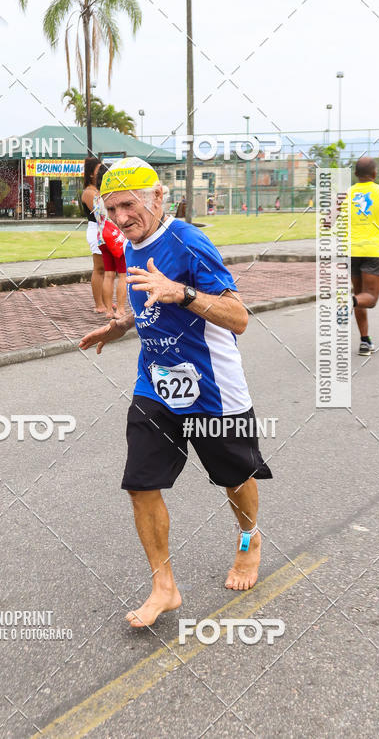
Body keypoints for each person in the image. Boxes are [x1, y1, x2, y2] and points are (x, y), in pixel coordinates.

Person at [80, 157, 272, 629]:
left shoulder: (189, 241)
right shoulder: (127, 244)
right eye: (111, 209)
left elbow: (239, 317)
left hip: (213, 389)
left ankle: (249, 538)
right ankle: (163, 586)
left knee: (234, 478)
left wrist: (181, 292)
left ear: (157, 198)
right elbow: (150, 306)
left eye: (128, 205)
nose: (121, 218)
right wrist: (121, 325)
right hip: (156, 385)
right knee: (140, 482)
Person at [350, 157, 379, 355]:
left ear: (355, 174)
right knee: (370, 298)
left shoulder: (346, 194)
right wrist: (378, 230)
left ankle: (364, 341)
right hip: (373, 250)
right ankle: (346, 302)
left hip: (351, 251)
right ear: (375, 174)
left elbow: (329, 222)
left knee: (360, 295)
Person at [94, 163, 127, 318]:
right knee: (122, 275)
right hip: (117, 239)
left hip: (102, 238)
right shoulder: (114, 195)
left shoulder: (96, 197)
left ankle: (108, 310)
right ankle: (120, 309)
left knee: (108, 274)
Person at [81, 156, 106, 314]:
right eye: (99, 169)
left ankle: (106, 301)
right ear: (91, 173)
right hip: (97, 229)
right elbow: (100, 214)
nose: (102, 172)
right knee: (99, 268)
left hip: (103, 228)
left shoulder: (97, 190)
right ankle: (99, 304)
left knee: (107, 268)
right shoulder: (90, 192)